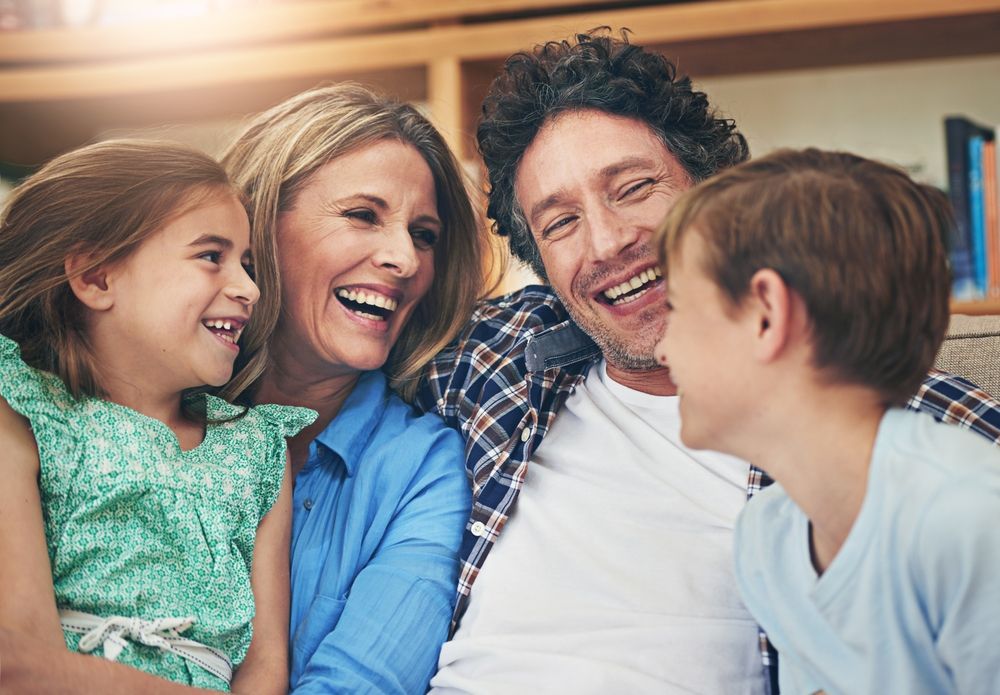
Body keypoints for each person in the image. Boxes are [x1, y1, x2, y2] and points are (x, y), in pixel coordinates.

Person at [417, 29, 1000, 693]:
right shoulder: (497, 356)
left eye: (634, 186)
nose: (607, 240)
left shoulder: (922, 455)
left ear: (713, 195)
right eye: (559, 222)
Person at [0, 84, 483, 694]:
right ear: (260, 225)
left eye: (425, 235)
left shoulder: (412, 466)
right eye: (363, 214)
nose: (406, 260)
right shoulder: (34, 411)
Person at [653, 147, 1000, 694]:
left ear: (767, 314)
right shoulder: (767, 538)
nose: (663, 350)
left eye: (675, 307)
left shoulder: (970, 518)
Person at [0, 139, 315, 693]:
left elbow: (265, 673)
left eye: (246, 263)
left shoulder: (257, 451)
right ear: (96, 278)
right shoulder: (22, 409)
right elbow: (22, 665)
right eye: (211, 256)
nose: (249, 289)